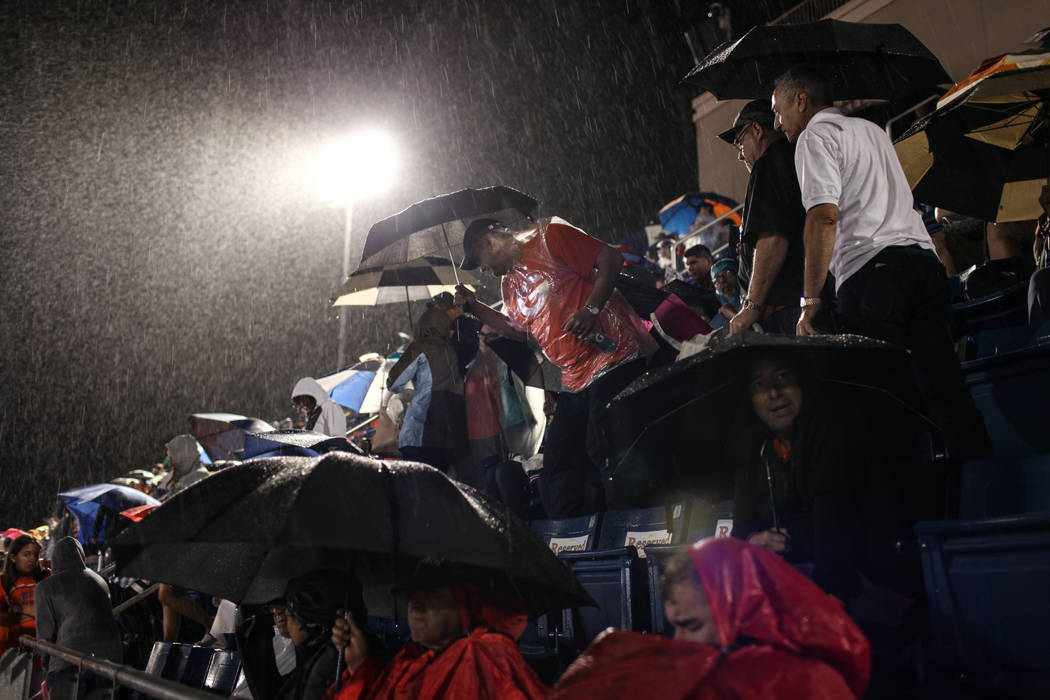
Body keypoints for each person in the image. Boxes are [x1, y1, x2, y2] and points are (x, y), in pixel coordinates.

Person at [772, 64, 992, 458]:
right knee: (946, 390)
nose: (777, 122)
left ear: (800, 100)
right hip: (923, 265)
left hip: (873, 276)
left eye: (778, 109)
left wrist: (811, 302)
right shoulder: (872, 130)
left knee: (885, 405)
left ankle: (915, 504)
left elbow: (822, 217)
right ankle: (986, 487)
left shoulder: (815, 136)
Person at [455, 216, 656, 516]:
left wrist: (590, 310)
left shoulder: (550, 238)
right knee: (559, 459)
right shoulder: (509, 285)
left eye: (478, 260)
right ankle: (572, 536)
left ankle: (630, 525)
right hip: (573, 379)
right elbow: (518, 329)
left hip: (615, 359)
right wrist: (475, 308)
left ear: (489, 242)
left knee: (605, 447)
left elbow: (610, 259)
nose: (481, 269)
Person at [549, 537, 870, 699]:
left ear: (744, 610)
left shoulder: (811, 683)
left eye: (693, 625)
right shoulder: (710, 675)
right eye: (675, 625)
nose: (681, 642)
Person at [329, 581, 547, 700]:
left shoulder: (485, 657)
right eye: (413, 592)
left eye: (431, 592)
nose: (415, 602)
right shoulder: (410, 659)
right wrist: (358, 668)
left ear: (466, 604)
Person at [718, 99, 812, 336]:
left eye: (740, 143)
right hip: (803, 301)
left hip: (785, 310)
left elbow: (773, 237)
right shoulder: (797, 158)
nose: (740, 156)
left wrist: (750, 306)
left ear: (758, 130)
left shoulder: (769, 162)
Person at [35, 536, 122, 699]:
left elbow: (44, 638)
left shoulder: (45, 587)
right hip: (108, 664)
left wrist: (47, 669)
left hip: (66, 665)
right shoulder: (98, 581)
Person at [387, 306, 467, 472]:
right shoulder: (451, 350)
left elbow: (393, 383)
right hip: (448, 433)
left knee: (418, 486)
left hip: (420, 430)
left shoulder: (419, 348)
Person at [0, 535, 48, 656]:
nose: (32, 559)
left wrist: (20, 611)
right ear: (13, 557)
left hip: (41, 652)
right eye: (26, 555)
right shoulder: (3, 582)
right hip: (12, 653)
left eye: (35, 555)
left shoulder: (45, 577)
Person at [157, 434, 211, 499]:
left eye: (171, 456)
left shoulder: (199, 475)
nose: (169, 459)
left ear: (181, 455)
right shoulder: (182, 473)